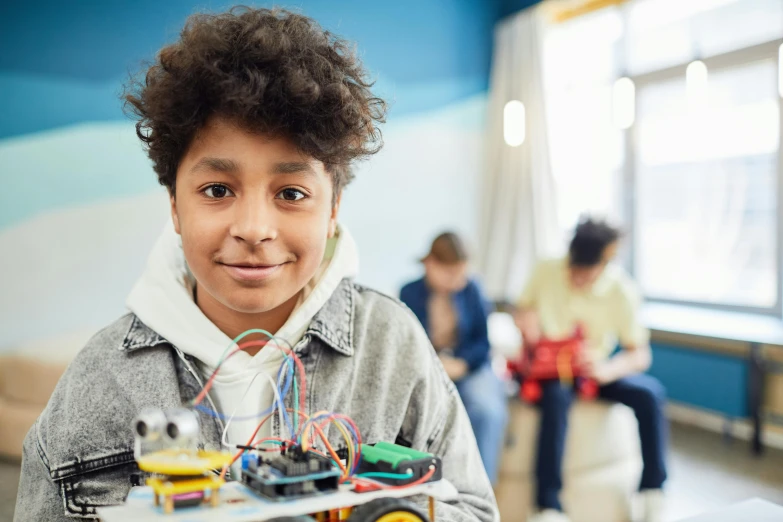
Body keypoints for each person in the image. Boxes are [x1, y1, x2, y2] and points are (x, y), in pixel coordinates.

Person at [14, 8, 497, 521]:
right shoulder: (99, 383)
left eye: (291, 193)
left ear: (333, 210)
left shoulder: (394, 350)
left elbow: (473, 509)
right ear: (174, 205)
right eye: (217, 190)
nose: (254, 228)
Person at [516, 218, 667, 522]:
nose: (578, 278)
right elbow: (522, 310)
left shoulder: (622, 290)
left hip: (595, 371)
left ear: (605, 262)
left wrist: (607, 370)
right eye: (574, 270)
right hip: (551, 371)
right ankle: (548, 505)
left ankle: (652, 491)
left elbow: (639, 354)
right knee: (556, 399)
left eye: (586, 273)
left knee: (650, 394)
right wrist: (528, 326)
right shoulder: (546, 270)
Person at [401, 232, 508, 485]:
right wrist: (436, 364)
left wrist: (461, 364)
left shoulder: (473, 289)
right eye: (450, 274)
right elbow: (409, 343)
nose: (457, 281)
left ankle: (480, 489)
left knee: (485, 410)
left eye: (461, 273)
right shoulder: (409, 292)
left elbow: (483, 343)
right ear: (430, 265)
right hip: (428, 366)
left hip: (468, 365)